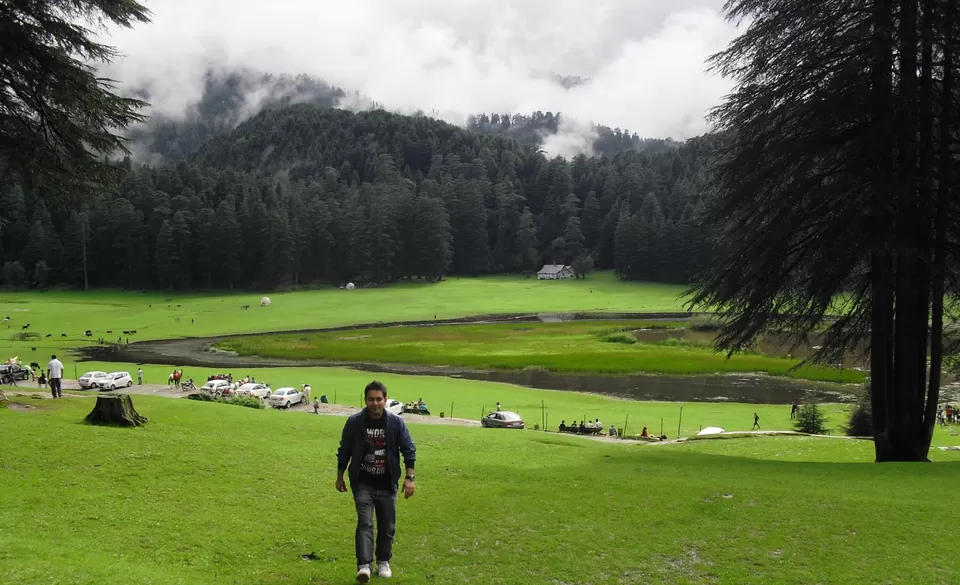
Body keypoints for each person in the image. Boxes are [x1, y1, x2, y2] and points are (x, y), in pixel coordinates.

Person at [336, 381, 416, 583]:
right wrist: (340, 476)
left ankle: (383, 561)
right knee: (365, 523)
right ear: (365, 400)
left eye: (379, 399)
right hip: (362, 482)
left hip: (387, 483)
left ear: (385, 400)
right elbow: (344, 449)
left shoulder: (396, 424)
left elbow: (408, 449)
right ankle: (364, 566)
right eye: (371, 399)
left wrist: (409, 478)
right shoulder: (355, 422)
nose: (375, 403)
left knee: (387, 526)